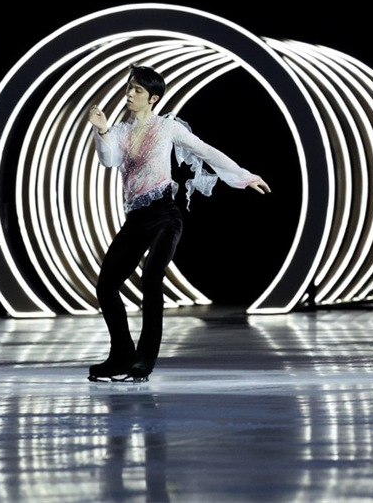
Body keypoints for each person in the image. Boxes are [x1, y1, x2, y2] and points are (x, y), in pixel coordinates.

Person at [86, 64, 270, 382]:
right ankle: (121, 356)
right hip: (135, 219)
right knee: (106, 286)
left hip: (165, 215)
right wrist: (101, 131)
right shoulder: (119, 131)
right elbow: (109, 160)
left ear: (153, 98)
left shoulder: (167, 128)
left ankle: (144, 360)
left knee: (152, 275)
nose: (129, 94)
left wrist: (244, 178)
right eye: (129, 88)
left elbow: (206, 151)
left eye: (137, 90)